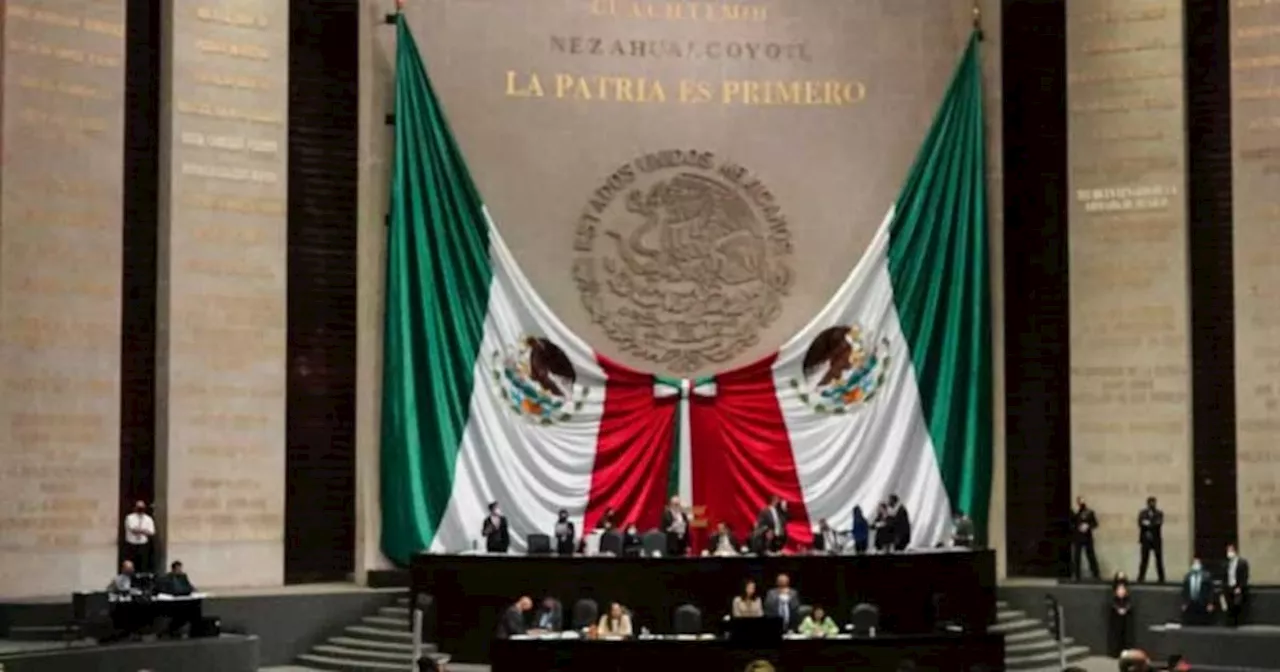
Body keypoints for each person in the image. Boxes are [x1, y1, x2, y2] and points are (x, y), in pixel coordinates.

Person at [123, 500, 157, 574]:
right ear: (135, 508)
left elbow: (151, 532)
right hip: (131, 544)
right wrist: (144, 531)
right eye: (138, 507)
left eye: (142, 508)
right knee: (130, 564)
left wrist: (141, 531)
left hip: (143, 544)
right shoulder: (130, 518)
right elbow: (133, 529)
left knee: (143, 565)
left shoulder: (148, 519)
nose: (140, 509)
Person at [1071, 497, 1100, 580]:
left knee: (1091, 555)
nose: (1081, 503)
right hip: (1078, 538)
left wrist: (1088, 526)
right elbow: (1073, 524)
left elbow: (1095, 524)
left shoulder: (1090, 512)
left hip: (1087, 538)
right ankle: (1077, 574)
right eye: (1079, 501)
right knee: (1077, 557)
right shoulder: (1076, 514)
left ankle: (1096, 573)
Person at [1137, 497, 1165, 583]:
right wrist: (1148, 524)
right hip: (1146, 540)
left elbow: (1158, 523)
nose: (1152, 504)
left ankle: (1161, 578)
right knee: (1144, 560)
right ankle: (1141, 577)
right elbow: (1140, 523)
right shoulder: (1142, 513)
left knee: (1159, 560)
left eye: (1154, 503)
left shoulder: (1159, 513)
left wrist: (1148, 525)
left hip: (1156, 540)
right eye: (1151, 503)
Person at [1223, 543, 1250, 627]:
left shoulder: (1242, 562)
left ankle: (1238, 623)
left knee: (1237, 605)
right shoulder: (1226, 563)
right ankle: (1230, 623)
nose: (1229, 552)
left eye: (1231, 550)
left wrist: (1240, 587)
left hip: (1237, 587)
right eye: (1228, 551)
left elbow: (1245, 576)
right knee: (1228, 606)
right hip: (1228, 587)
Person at [1180, 558, 1214, 625]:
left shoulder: (1206, 576)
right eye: (1194, 563)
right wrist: (1184, 603)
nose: (1196, 565)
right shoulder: (1187, 576)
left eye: (1197, 563)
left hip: (1203, 603)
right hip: (1191, 603)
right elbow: (1184, 591)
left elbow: (1210, 591)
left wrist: (1210, 603)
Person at [1108, 575, 1133, 657]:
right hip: (1116, 620)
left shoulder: (1128, 600)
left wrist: (1125, 609)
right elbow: (1113, 604)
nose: (1121, 591)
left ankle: (1125, 652)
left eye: (1123, 590)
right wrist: (1118, 610)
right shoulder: (1113, 600)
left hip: (1125, 620)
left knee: (1126, 636)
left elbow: (1130, 605)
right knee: (1116, 636)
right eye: (1119, 590)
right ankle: (1115, 652)